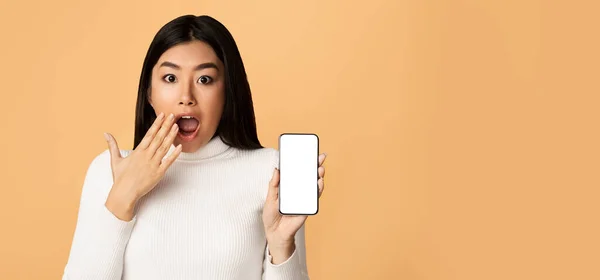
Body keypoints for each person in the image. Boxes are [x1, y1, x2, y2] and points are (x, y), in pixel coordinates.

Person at [61, 14, 327, 280]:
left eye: (205, 80)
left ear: (228, 92)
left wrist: (282, 246)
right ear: (149, 93)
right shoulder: (109, 171)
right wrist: (122, 198)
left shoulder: (271, 173)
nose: (186, 97)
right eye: (170, 78)